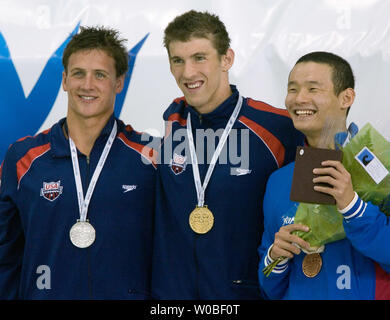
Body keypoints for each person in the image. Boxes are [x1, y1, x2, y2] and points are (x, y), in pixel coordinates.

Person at [151, 10, 303, 299]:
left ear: (227, 59)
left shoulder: (276, 127)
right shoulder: (173, 124)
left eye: (199, 57)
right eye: (177, 61)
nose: (188, 73)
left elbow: (318, 203)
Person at [0, 26, 157, 299]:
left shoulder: (150, 157)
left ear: (119, 82)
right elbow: (4, 254)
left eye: (100, 75)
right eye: (78, 73)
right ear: (64, 79)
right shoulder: (23, 158)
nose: (87, 85)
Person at [258, 51, 390, 299]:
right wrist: (275, 257)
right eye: (293, 89)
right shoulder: (278, 181)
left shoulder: (382, 168)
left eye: (312, 89)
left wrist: (354, 208)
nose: (299, 99)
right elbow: (269, 287)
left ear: (346, 97)